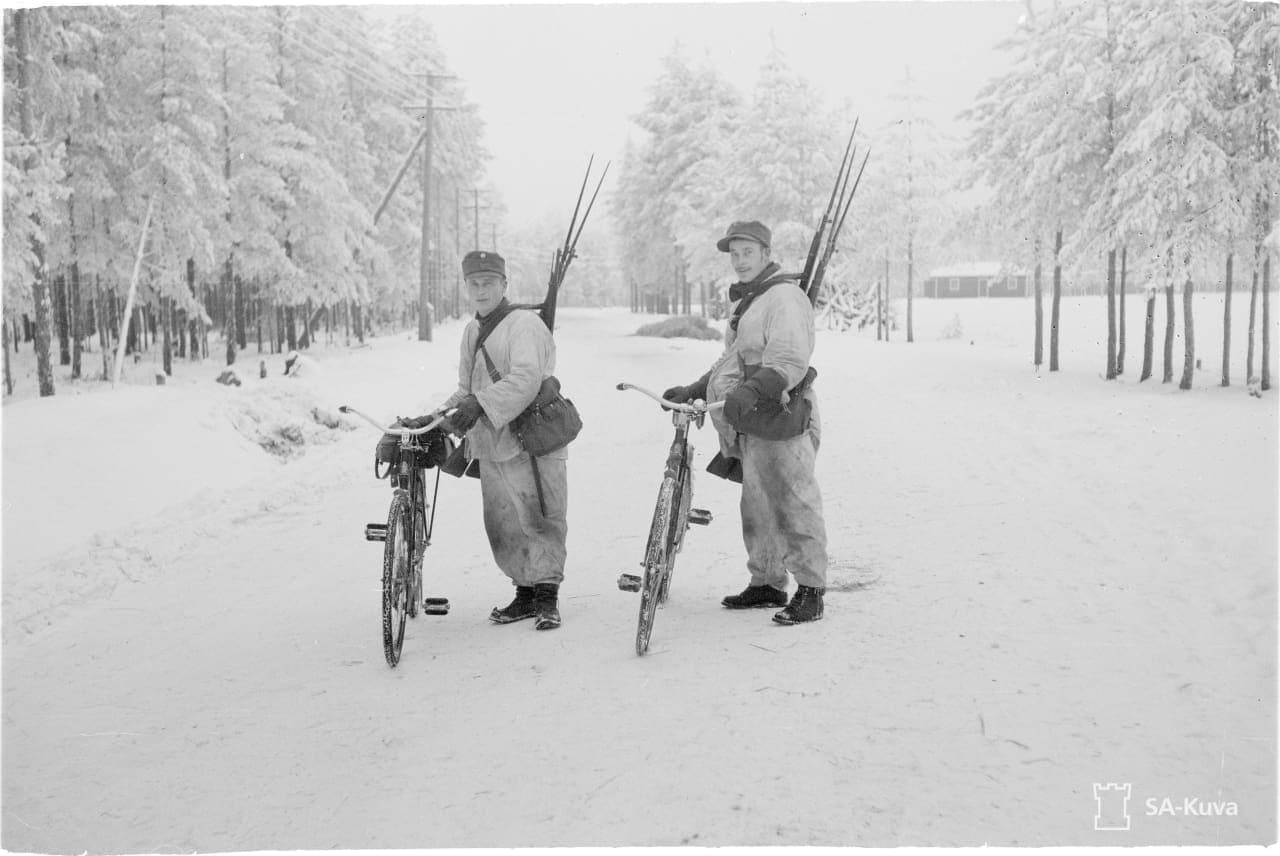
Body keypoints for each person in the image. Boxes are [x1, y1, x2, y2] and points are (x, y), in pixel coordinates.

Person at [663, 220, 829, 624]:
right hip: (752, 417)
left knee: (792, 502)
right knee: (756, 504)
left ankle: (811, 590)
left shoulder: (784, 297)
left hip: (782, 415)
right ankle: (767, 583)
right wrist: (699, 386)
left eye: (747, 253)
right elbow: (734, 358)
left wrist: (752, 392)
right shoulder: (751, 300)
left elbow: (789, 360)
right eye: (734, 254)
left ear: (767, 254)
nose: (739, 261)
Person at [433, 250, 569, 630]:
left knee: (541, 516)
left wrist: (480, 403)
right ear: (466, 287)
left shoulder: (524, 325)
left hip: (531, 437)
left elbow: (526, 379)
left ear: (504, 284)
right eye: (473, 283)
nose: (481, 290)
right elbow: (465, 389)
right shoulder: (471, 331)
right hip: (491, 440)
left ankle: (546, 596)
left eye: (488, 282)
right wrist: (436, 417)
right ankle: (524, 593)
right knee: (504, 521)